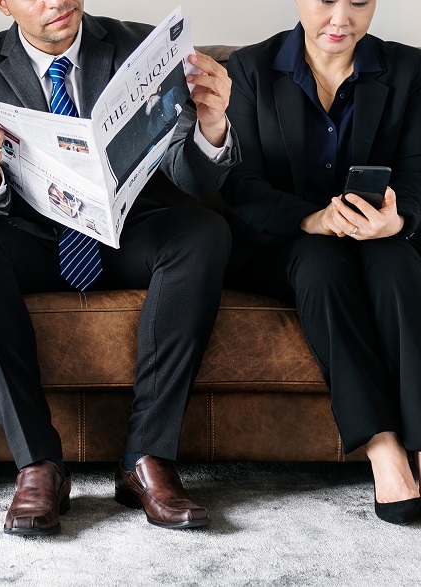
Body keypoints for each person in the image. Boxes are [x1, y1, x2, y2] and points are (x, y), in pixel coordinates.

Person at [0, 0, 239, 534]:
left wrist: (211, 128)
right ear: (2, 4)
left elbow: (193, 179)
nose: (56, 1)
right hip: (30, 239)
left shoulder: (144, 51)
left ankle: (147, 460)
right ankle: (38, 464)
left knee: (203, 231)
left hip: (128, 233)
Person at [221, 0, 421, 524]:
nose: (340, 18)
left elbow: (420, 175)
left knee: (396, 265)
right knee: (322, 265)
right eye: (325, 0)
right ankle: (383, 450)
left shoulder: (409, 70)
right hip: (285, 243)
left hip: (378, 235)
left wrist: (396, 221)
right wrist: (311, 219)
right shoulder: (247, 70)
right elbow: (240, 186)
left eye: (357, 2)